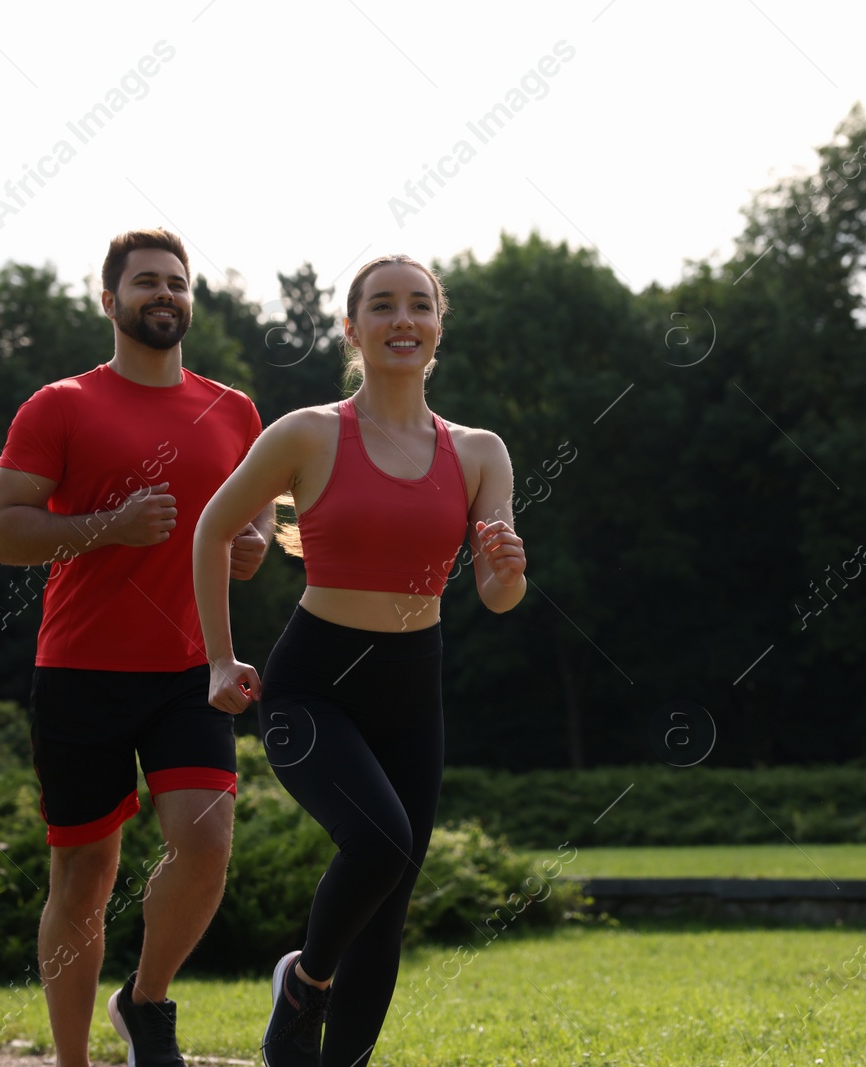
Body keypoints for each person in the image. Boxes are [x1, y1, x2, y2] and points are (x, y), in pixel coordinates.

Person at [192, 254, 527, 1066]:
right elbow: (209, 529)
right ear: (352, 328)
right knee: (381, 840)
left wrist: (507, 566)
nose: (402, 320)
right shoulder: (308, 433)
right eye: (382, 306)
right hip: (311, 687)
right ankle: (304, 985)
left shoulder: (480, 451)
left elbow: (496, 594)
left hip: (414, 691)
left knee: (392, 897)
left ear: (439, 328)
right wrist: (219, 659)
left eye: (420, 305)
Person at [0, 228, 273, 1067]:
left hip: (192, 667)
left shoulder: (234, 409)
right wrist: (107, 526)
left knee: (208, 842)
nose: (164, 294)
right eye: (146, 282)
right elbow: (0, 533)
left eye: (177, 283)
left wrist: (252, 537)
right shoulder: (61, 404)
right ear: (108, 301)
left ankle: (145, 1003)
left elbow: (256, 509)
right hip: (81, 670)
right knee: (83, 882)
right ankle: (72, 1059)